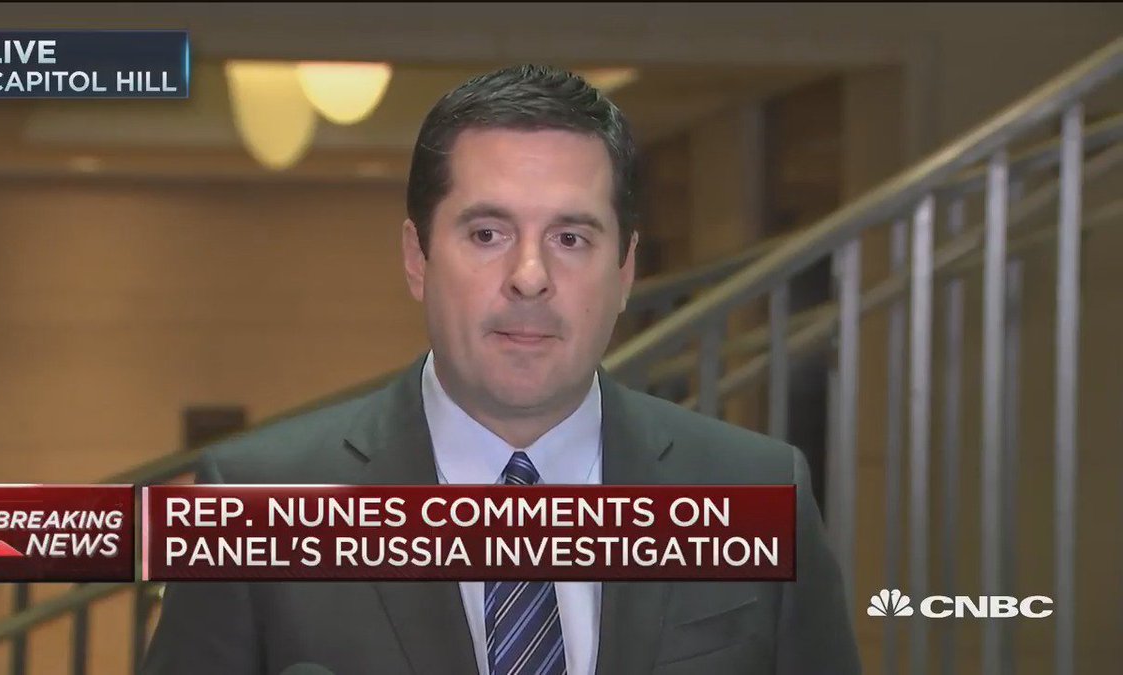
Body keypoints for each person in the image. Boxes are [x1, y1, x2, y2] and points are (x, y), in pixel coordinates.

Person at [143, 64, 861, 675]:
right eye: (487, 233)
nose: (530, 276)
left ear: (625, 270)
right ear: (417, 258)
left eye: (571, 238)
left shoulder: (759, 489)